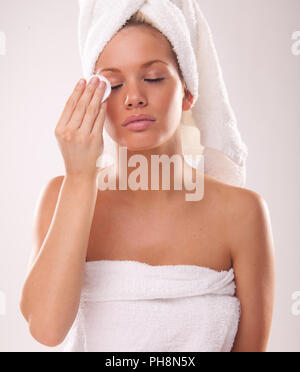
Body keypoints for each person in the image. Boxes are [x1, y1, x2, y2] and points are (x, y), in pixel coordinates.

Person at [19, 8, 275, 352]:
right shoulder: (60, 196)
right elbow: (46, 331)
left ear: (188, 92)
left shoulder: (243, 213)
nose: (134, 97)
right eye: (113, 85)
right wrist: (81, 179)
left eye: (153, 78)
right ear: (94, 100)